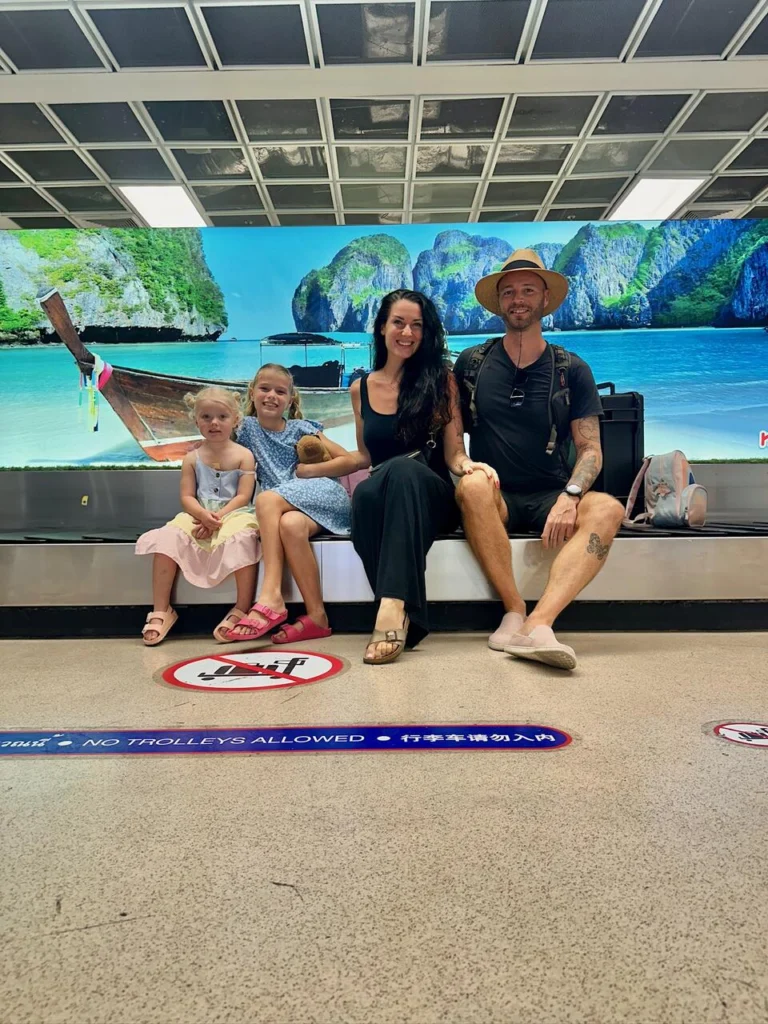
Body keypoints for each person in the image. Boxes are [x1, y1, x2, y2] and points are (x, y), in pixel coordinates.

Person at [454, 249, 625, 671]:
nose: (518, 299)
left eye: (528, 290)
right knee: (472, 484)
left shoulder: (572, 368)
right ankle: (513, 611)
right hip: (496, 496)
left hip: (553, 492)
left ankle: (539, 624)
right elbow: (453, 441)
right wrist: (464, 465)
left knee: (608, 508)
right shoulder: (471, 364)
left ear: (544, 299)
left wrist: (570, 495)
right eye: (509, 291)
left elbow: (591, 450)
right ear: (499, 302)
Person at [350, 289, 495, 665]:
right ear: (382, 327)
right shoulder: (360, 389)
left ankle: (391, 607)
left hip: (430, 494)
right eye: (399, 322)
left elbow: (453, 453)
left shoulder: (440, 381)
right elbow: (365, 456)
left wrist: (471, 467)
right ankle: (403, 613)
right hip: (383, 492)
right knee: (364, 495)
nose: (407, 333)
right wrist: (310, 468)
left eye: (417, 325)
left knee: (401, 469)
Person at [228, 363, 357, 642]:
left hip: (321, 493)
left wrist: (311, 470)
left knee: (266, 499)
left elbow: (350, 460)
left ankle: (271, 594)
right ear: (251, 393)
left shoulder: (301, 428)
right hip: (287, 507)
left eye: (280, 391)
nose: (271, 395)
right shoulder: (245, 428)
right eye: (264, 389)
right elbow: (216, 428)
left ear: (290, 398)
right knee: (289, 525)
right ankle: (317, 617)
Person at [135, 386, 259, 646]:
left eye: (222, 417)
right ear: (196, 420)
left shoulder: (244, 455)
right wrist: (203, 515)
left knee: (243, 537)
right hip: (198, 512)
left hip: (234, 512)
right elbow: (187, 496)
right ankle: (161, 608)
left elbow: (243, 497)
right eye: (206, 417)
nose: (214, 423)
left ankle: (242, 607)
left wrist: (218, 517)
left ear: (234, 420)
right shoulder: (192, 458)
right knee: (168, 537)